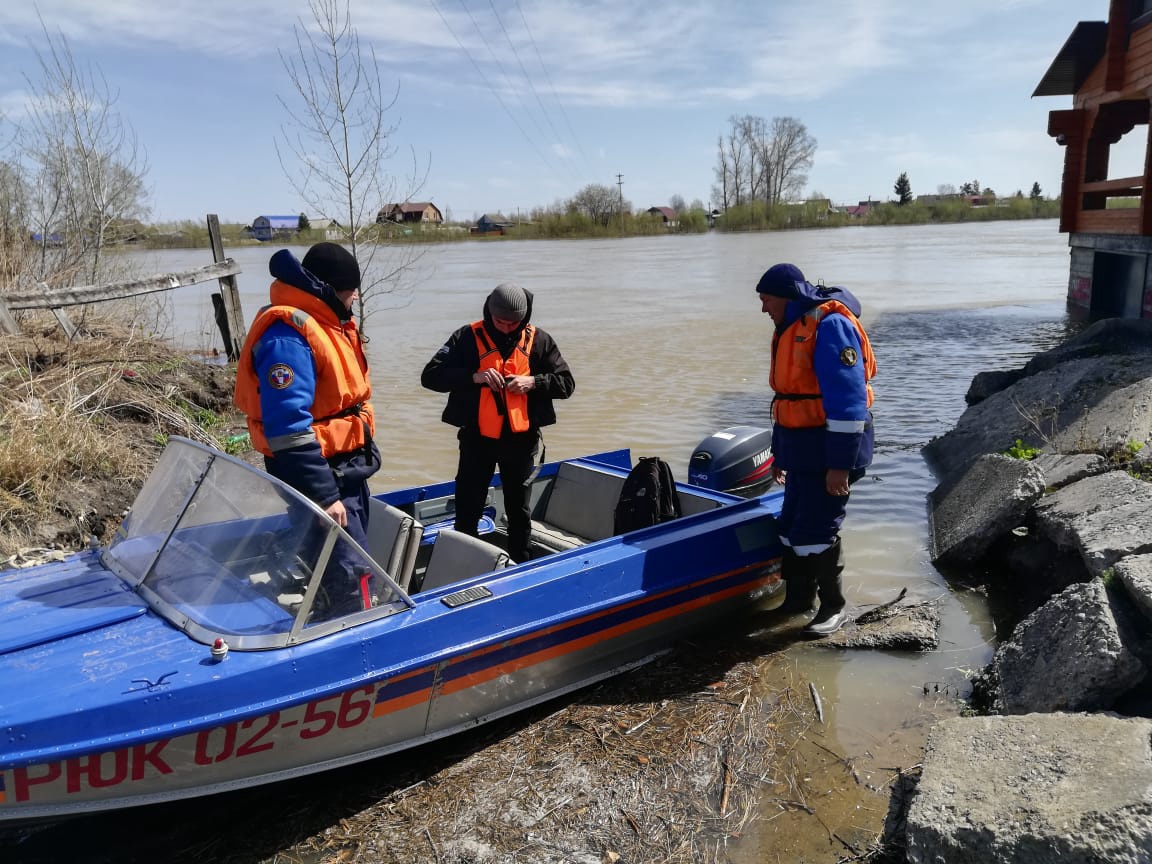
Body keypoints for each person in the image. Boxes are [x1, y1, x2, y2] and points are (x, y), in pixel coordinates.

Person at [233, 241, 381, 615]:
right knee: (355, 574)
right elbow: (288, 428)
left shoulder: (326, 322)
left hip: (346, 467)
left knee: (345, 562)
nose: (355, 298)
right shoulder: (288, 336)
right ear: (329, 289)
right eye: (350, 292)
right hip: (320, 474)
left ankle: (330, 606)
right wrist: (324, 495)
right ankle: (356, 633)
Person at [756, 263, 876, 637]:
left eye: (767, 300)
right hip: (801, 448)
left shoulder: (829, 326)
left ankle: (834, 606)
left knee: (819, 527)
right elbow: (789, 400)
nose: (763, 309)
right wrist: (780, 453)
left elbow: (848, 402)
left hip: (830, 448)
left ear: (787, 296)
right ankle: (798, 600)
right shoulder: (792, 326)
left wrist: (839, 465)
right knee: (791, 526)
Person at [421, 283, 575, 563]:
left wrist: (534, 382)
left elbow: (567, 384)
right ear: (489, 312)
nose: (505, 328)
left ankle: (521, 564)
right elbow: (430, 376)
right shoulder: (466, 337)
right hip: (477, 440)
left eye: (512, 323)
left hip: (521, 443)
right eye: (500, 322)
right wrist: (474, 377)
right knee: (468, 509)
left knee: (519, 511)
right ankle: (463, 565)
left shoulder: (540, 341)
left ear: (524, 318)